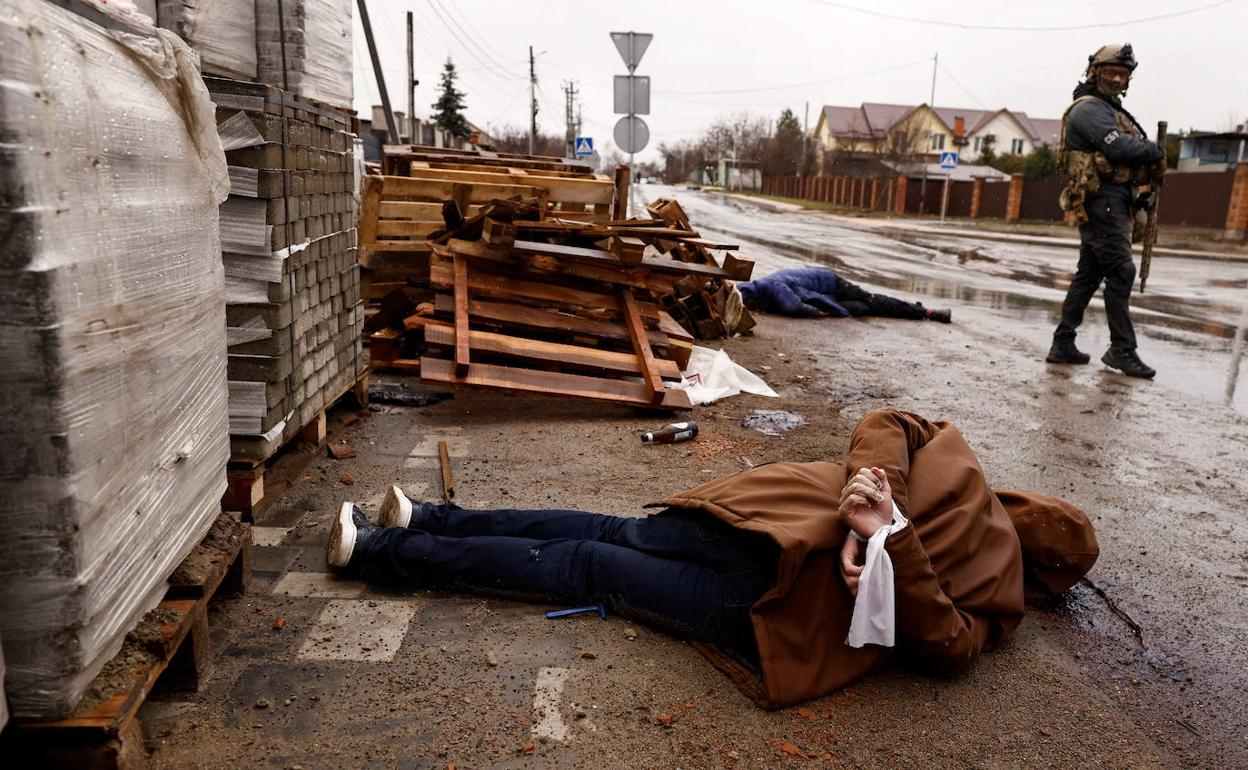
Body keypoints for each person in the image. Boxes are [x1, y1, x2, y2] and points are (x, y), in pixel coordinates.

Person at [327, 409, 1098, 709]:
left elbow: (888, 423)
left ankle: (422, 519)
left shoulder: (962, 466)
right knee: (592, 561)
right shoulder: (997, 573)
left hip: (757, 533)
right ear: (1046, 575)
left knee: (604, 534)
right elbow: (950, 649)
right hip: (770, 597)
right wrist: (880, 524)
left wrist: (882, 517)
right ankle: (384, 548)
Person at [1048, 43, 1165, 379]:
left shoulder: (1110, 109)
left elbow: (1126, 156)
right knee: (1122, 270)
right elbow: (1119, 147)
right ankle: (1121, 349)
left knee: (1089, 273)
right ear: (1095, 72)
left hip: (1113, 198)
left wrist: (1143, 188)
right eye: (1111, 72)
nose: (1116, 79)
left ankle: (1063, 342)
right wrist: (1154, 151)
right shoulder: (1089, 109)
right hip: (1101, 200)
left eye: (1123, 74)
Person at [735, 268, 952, 323]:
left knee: (872, 301)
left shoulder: (770, 285)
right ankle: (914, 310)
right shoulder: (764, 289)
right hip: (827, 297)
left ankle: (926, 311)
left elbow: (792, 305)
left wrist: (816, 313)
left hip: (833, 284)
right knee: (865, 309)